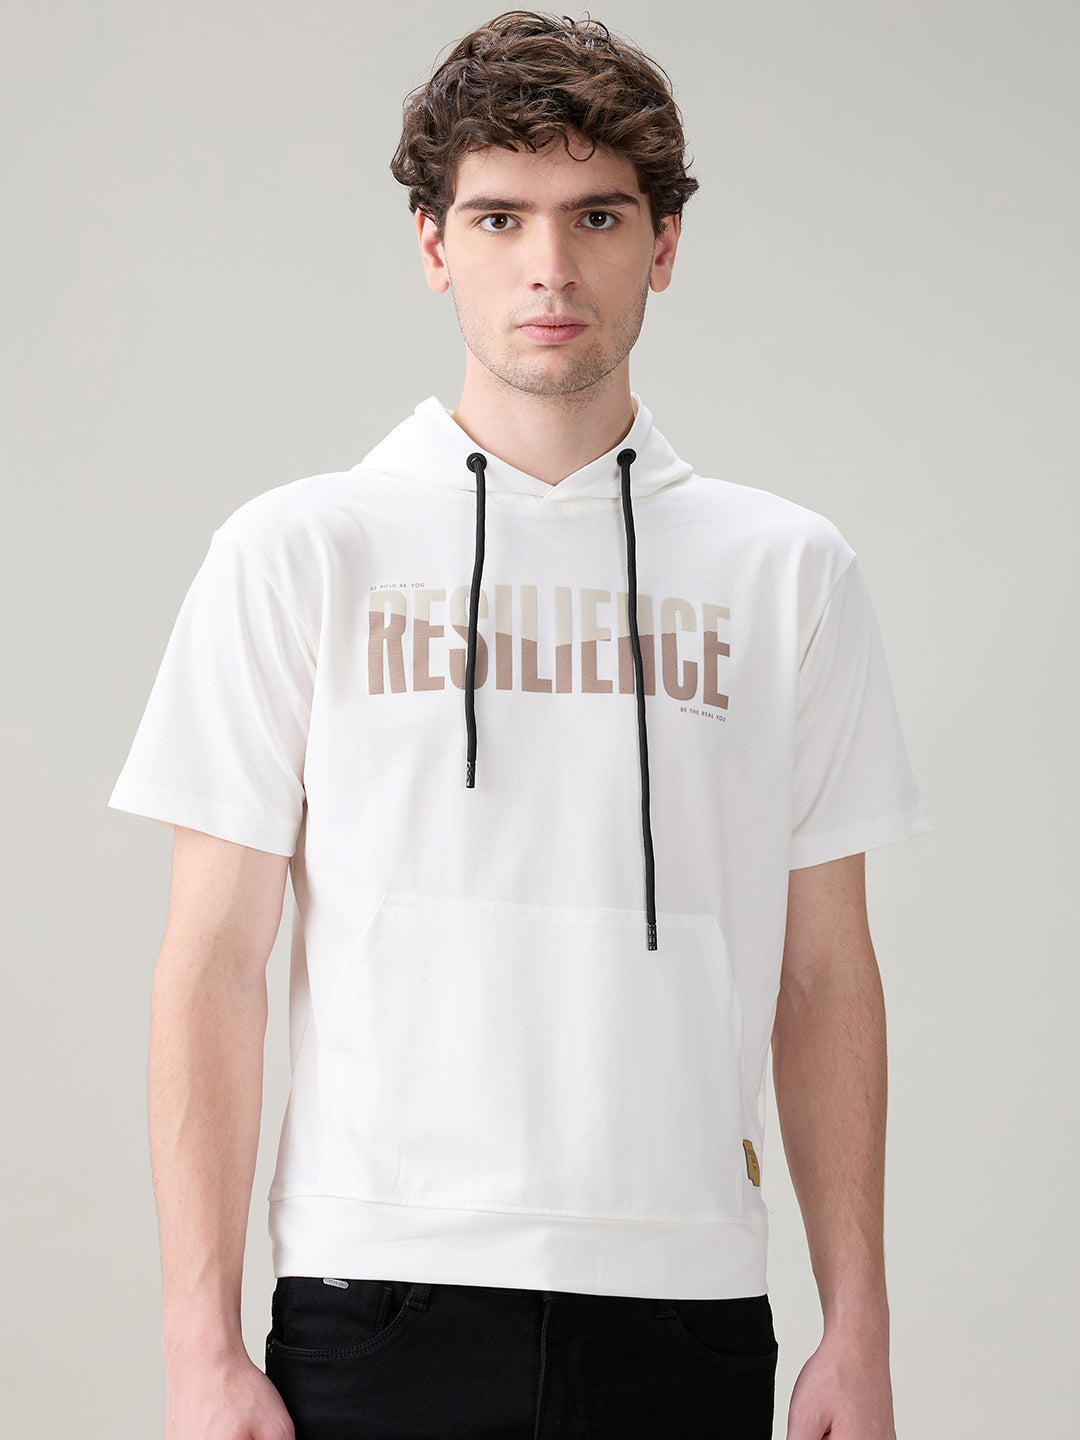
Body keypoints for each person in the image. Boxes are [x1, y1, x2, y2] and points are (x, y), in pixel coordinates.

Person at [107, 11, 933, 1440]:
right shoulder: (298, 552)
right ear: (435, 245)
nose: (550, 265)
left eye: (597, 216)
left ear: (663, 245)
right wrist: (199, 1342)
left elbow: (823, 977)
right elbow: (213, 966)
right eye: (500, 218)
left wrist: (857, 1327)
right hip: (377, 1286)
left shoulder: (787, 570)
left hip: (685, 1296)